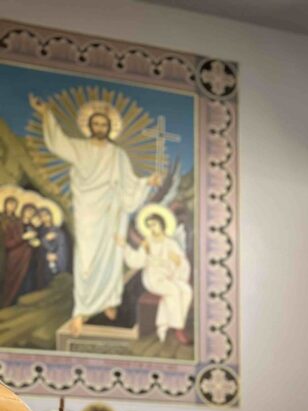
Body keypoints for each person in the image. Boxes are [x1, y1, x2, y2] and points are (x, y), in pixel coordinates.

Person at [29, 95, 160, 336]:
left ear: (110, 128)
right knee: (86, 260)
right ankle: (82, 309)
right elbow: (58, 143)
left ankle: (109, 299)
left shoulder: (118, 154)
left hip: (111, 210)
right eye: (96, 124)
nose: (100, 127)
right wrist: (46, 114)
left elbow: (130, 183)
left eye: (104, 124)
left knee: (111, 256)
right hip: (87, 210)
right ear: (90, 126)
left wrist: (146, 182)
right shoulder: (79, 148)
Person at [120, 208, 192, 343]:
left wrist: (178, 262)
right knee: (174, 290)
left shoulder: (171, 243)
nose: (152, 228)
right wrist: (125, 247)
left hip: (170, 276)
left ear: (162, 224)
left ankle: (164, 326)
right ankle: (178, 329)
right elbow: (137, 261)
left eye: (154, 225)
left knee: (187, 290)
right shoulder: (147, 243)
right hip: (153, 278)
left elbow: (182, 263)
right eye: (150, 226)